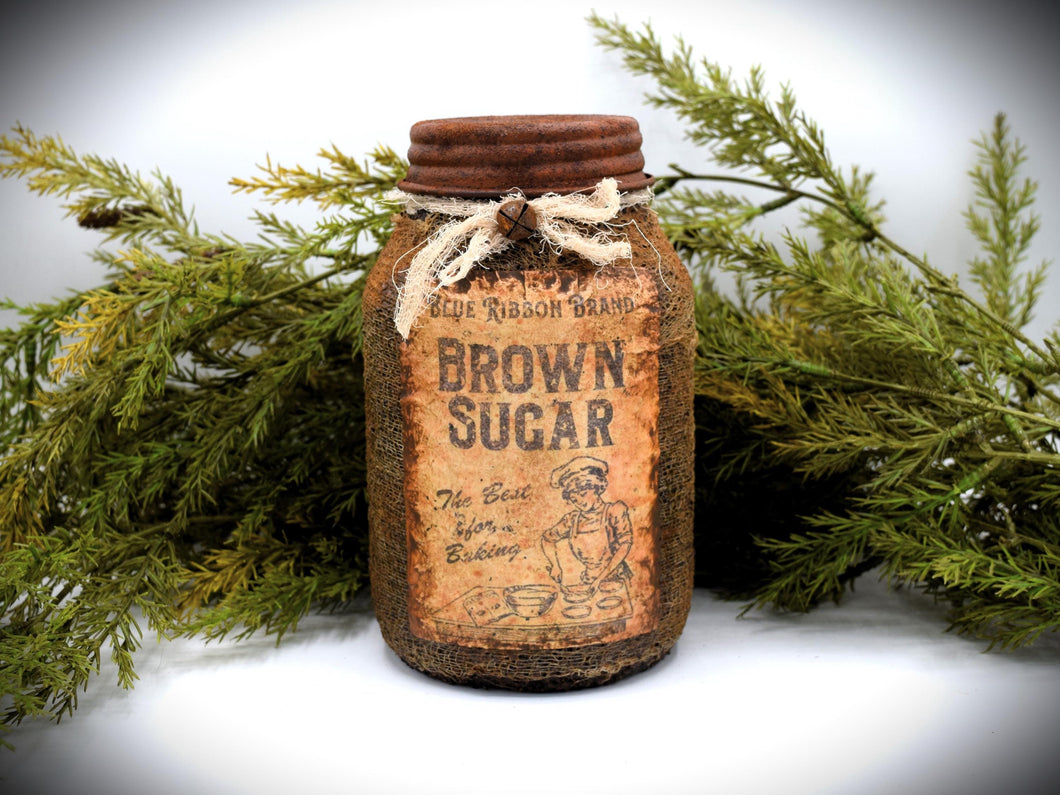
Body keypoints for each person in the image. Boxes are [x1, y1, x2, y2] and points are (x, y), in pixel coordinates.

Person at [540, 456, 633, 599]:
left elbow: (625, 545)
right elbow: (547, 539)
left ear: (596, 488)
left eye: (583, 494)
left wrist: (600, 579)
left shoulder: (614, 511)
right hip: (588, 582)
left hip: (616, 582)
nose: (579, 501)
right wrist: (555, 565)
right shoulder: (572, 520)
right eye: (573, 498)